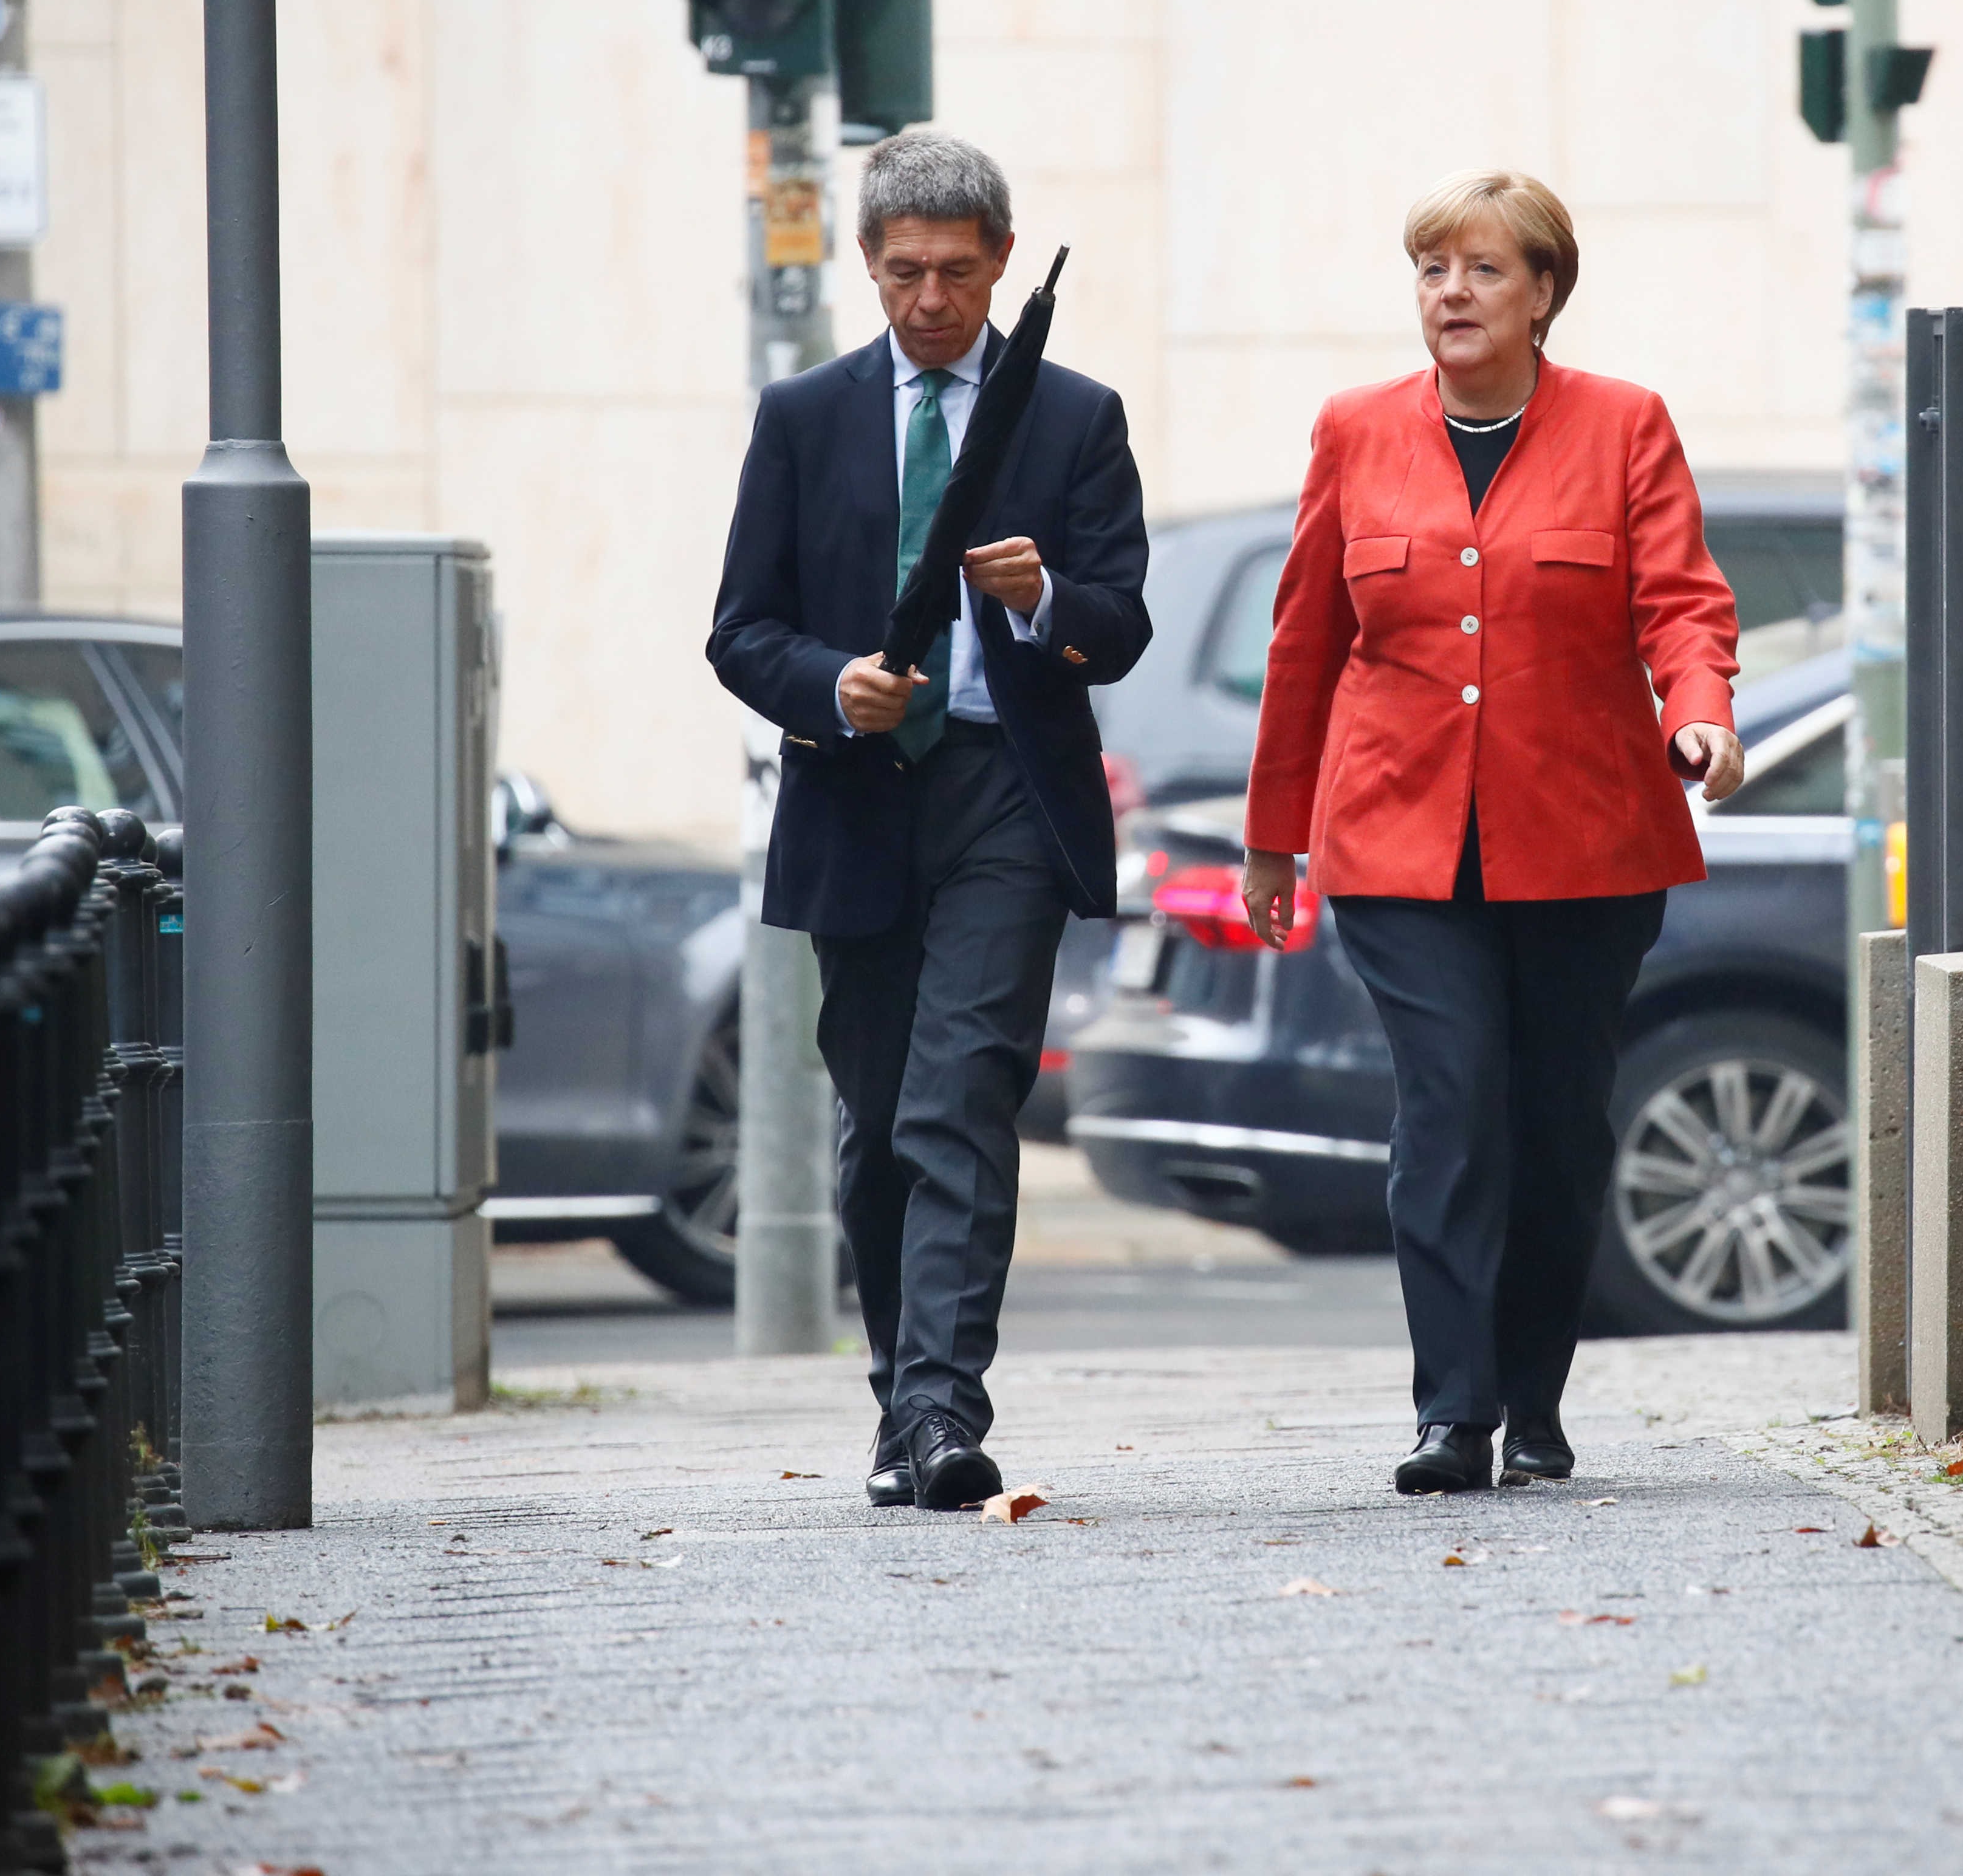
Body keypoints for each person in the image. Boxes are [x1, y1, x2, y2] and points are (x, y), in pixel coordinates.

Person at [1239, 169, 1742, 1496]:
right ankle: (1453, 1412)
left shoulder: (1625, 426)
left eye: (1482, 271)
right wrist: (1274, 837)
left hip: (1588, 837)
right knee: (1452, 1103)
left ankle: (1536, 1397)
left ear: (1544, 296)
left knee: (1559, 1125)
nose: (1451, 295)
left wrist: (1700, 713)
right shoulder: (1355, 431)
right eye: (1431, 271)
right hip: (1400, 841)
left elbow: (1684, 605)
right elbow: (1306, 646)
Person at [708, 131, 1149, 1511]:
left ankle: (949, 1413)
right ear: (868, 267)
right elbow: (740, 631)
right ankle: (904, 1403)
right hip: (857, 796)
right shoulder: (806, 419)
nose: (932, 301)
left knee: (964, 1098)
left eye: (960, 273)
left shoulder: (1070, 415)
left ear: (1004, 264)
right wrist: (831, 686)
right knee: (882, 1119)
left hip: (1006, 792)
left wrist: (1039, 602)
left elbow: (1120, 623)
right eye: (906, 274)